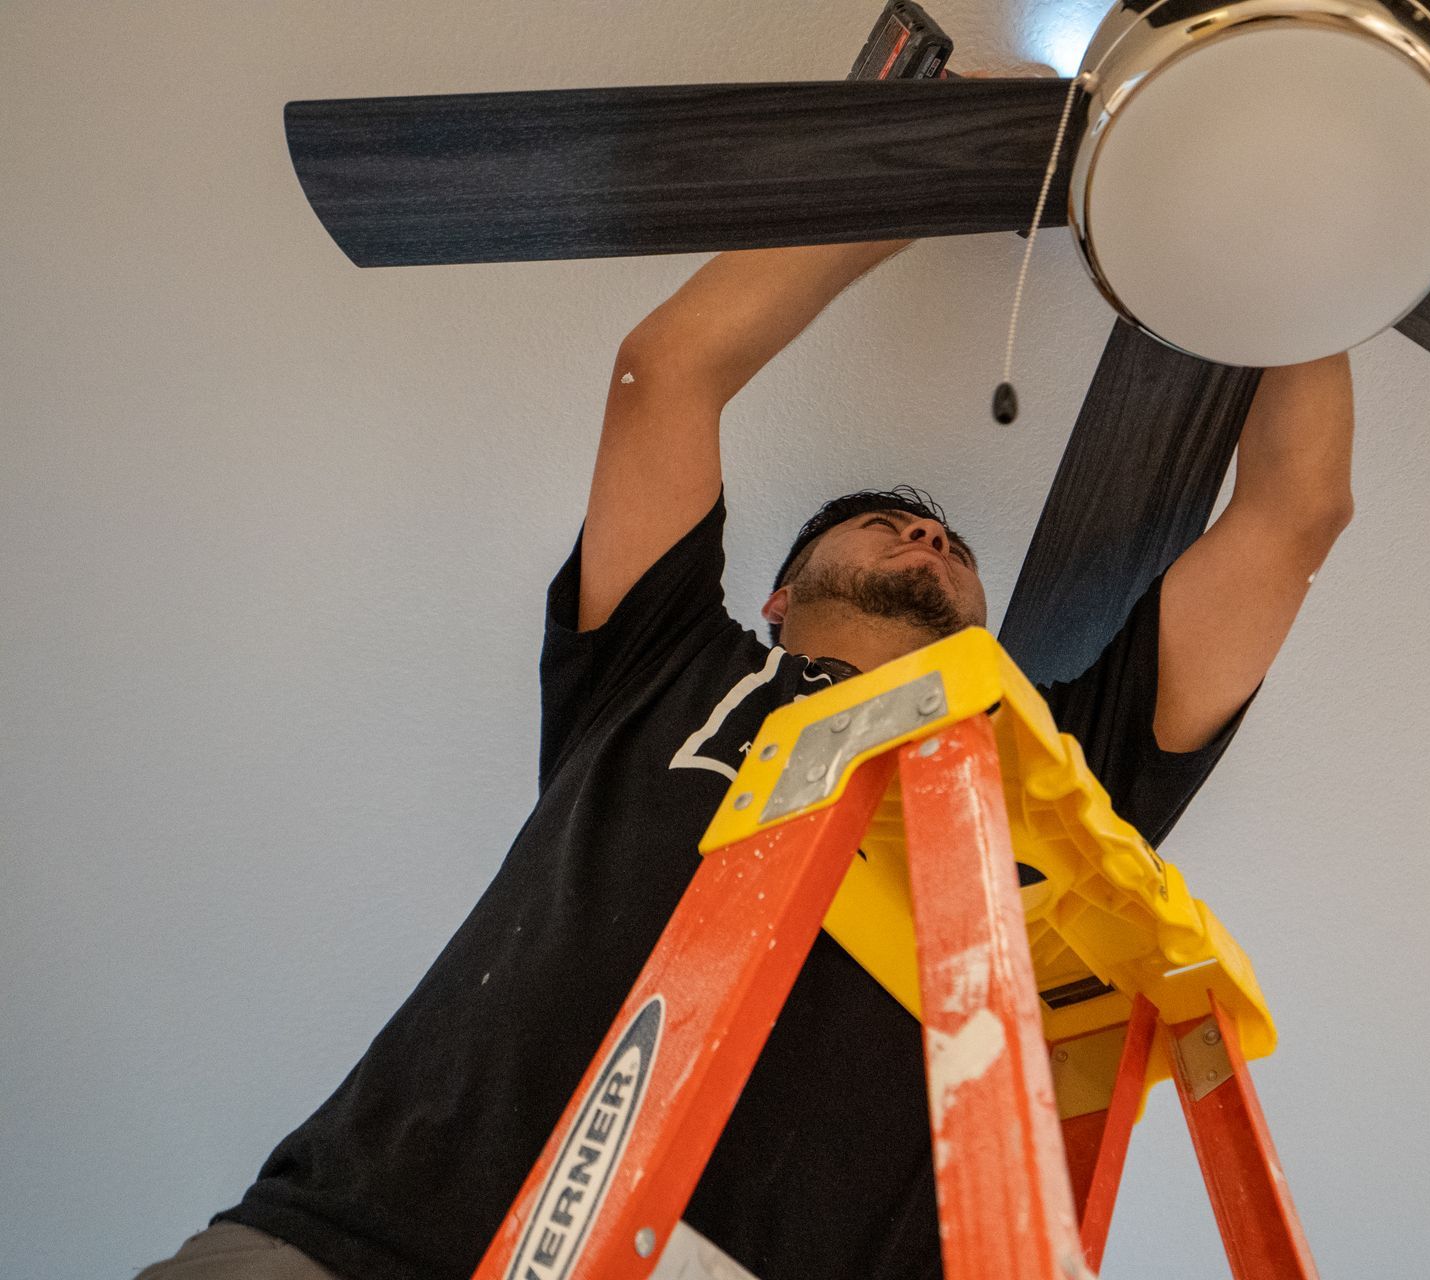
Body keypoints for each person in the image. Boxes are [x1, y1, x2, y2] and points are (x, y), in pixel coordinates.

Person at [135, 232, 1354, 1280]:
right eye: (885, 522)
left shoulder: (1049, 764)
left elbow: (1295, 514)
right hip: (371, 1240)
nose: (929, 530)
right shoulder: (663, 662)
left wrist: (1252, 220)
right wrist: (917, 168)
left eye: (945, 542)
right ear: (776, 596)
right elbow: (666, 370)